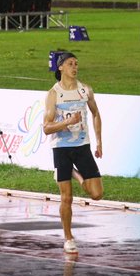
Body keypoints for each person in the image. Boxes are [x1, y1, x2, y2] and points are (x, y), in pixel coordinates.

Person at [43, 52, 103, 254]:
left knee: (97, 194)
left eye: (76, 64)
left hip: (82, 146)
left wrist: (99, 140)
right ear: (60, 68)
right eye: (70, 64)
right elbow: (46, 128)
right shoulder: (54, 94)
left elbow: (95, 114)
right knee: (66, 197)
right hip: (61, 148)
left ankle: (74, 174)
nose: (74, 67)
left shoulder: (85, 90)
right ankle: (68, 238)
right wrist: (66, 123)